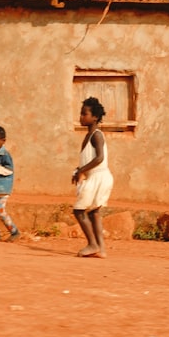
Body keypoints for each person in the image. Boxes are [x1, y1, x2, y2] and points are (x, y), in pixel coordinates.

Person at [71, 97, 113, 257]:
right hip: (96, 176)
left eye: (84, 114)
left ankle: (92, 244)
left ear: (94, 117)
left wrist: (81, 170)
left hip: (99, 177)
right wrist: (79, 171)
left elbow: (99, 158)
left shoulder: (96, 135)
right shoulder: (89, 136)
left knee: (79, 210)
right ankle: (101, 248)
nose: (81, 117)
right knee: (93, 212)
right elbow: (90, 160)